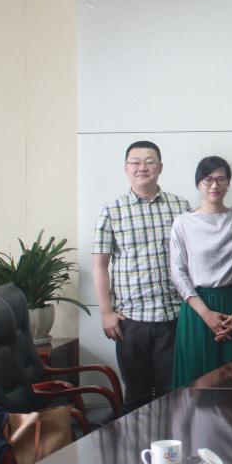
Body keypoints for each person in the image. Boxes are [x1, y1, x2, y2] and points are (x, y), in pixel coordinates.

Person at [92, 140, 190, 412]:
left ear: (160, 167)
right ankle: (138, 442)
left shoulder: (180, 206)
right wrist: (106, 312)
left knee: (174, 395)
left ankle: (170, 442)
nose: (142, 167)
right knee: (136, 397)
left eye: (149, 162)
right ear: (126, 168)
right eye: (135, 162)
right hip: (130, 321)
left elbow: (192, 260)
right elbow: (99, 265)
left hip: (173, 317)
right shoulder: (112, 210)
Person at [169, 156, 232, 388]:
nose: (214, 185)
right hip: (197, 307)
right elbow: (178, 272)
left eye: (221, 179)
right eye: (208, 179)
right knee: (195, 383)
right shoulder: (183, 223)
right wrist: (205, 313)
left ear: (228, 183)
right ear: (198, 183)